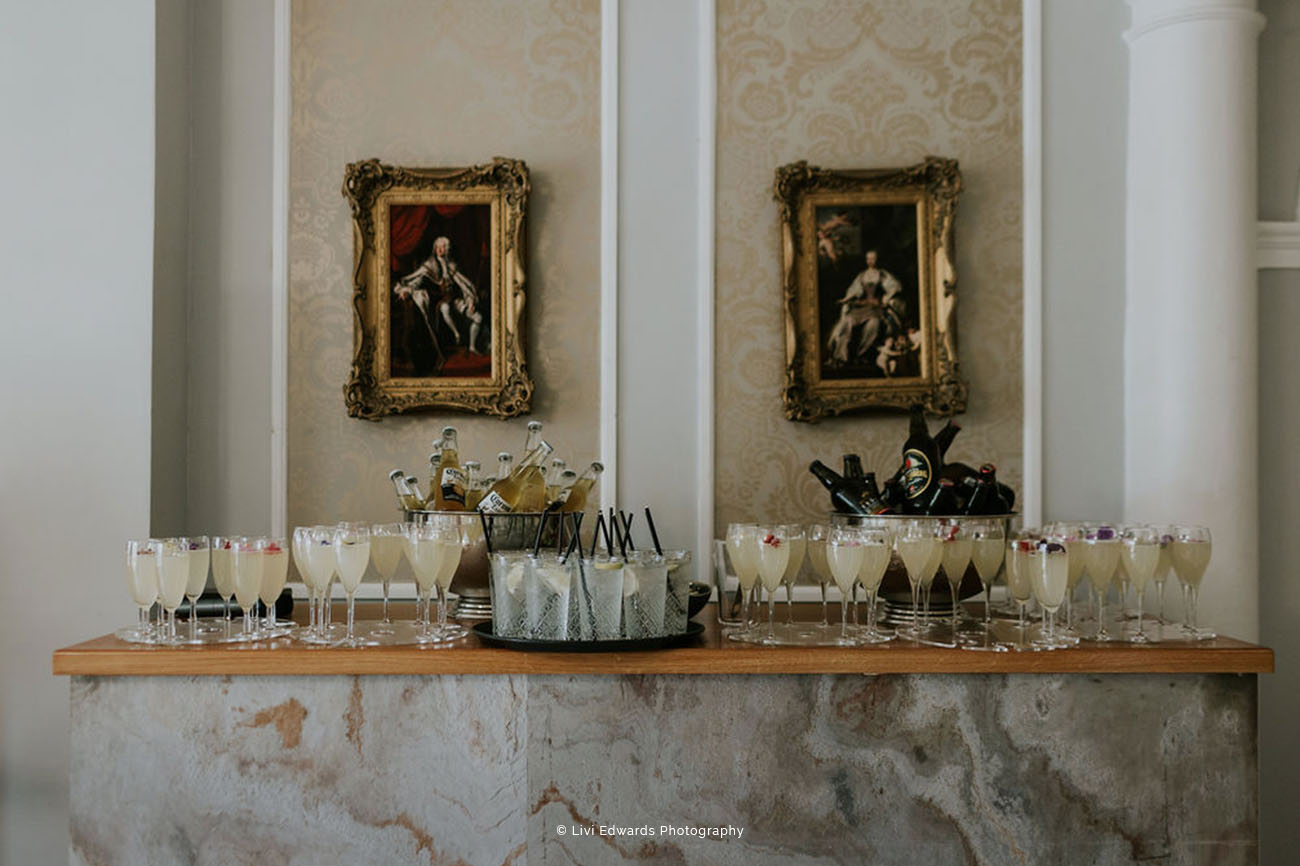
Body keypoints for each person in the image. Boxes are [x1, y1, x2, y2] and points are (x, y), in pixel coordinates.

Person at [393, 236, 485, 357]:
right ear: (435, 248)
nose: (440, 249)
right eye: (438, 247)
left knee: (478, 317)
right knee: (444, 309)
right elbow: (416, 279)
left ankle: (472, 347)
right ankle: (456, 335)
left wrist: (470, 300)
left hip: (454, 299)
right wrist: (406, 290)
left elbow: (464, 283)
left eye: (443, 247)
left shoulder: (451, 265)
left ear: (446, 249)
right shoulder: (429, 265)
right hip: (438, 300)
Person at [825, 250, 904, 366]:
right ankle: (841, 356)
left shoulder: (882, 275)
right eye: (868, 259)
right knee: (847, 322)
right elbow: (853, 291)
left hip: (875, 308)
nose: (870, 261)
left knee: (873, 324)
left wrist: (885, 299)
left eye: (873, 258)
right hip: (862, 306)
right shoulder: (862, 275)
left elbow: (895, 287)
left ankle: (862, 355)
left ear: (877, 259)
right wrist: (845, 300)